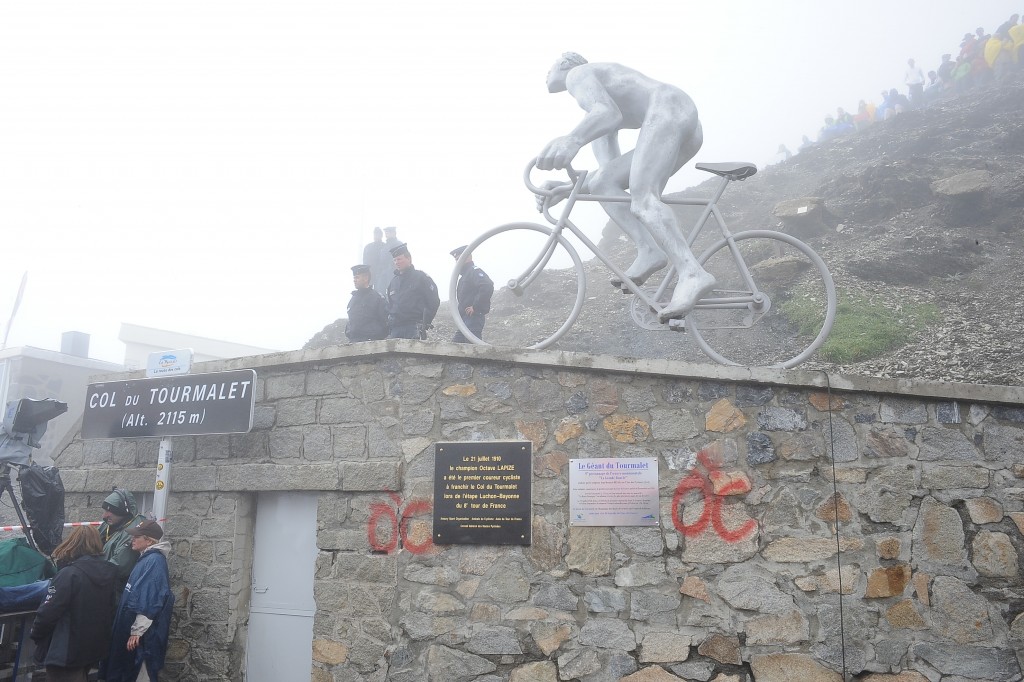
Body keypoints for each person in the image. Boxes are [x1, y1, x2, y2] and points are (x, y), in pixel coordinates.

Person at [536, 52, 716, 323]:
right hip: (683, 120)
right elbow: (605, 180)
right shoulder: (600, 109)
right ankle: (649, 249)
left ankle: (692, 273)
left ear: (564, 65)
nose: (545, 75)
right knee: (606, 184)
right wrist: (565, 188)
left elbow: (606, 113)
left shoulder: (579, 75)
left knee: (644, 200)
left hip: (669, 106)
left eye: (548, 68)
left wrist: (572, 140)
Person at [30, 526, 119, 682]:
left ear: (72, 543)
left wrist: (36, 634)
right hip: (91, 649)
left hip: (65, 651)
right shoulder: (109, 574)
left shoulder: (69, 574)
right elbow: (111, 610)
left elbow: (48, 613)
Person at [102, 520, 173, 682]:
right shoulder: (146, 559)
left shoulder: (154, 561)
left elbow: (151, 599)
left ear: (149, 540)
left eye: (136, 537)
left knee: (139, 672)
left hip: (144, 638)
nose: (132, 540)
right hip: (133, 631)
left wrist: (137, 631)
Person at [385, 242, 440, 340]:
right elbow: (390, 304)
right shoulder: (393, 283)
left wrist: (425, 322)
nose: (396, 262)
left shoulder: (421, 278)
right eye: (394, 260)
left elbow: (433, 300)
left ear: (408, 258)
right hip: (396, 330)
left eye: (399, 259)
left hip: (414, 327)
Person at [98, 488, 146, 592]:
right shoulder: (110, 524)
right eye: (104, 510)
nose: (104, 516)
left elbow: (119, 567)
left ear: (121, 512)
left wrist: (90, 573)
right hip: (104, 583)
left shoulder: (134, 529)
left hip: (116, 589)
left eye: (109, 511)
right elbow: (90, 541)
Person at [450, 245, 494, 343]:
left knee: (472, 349)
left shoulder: (474, 271)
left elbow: (487, 285)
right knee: (455, 347)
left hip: (473, 318)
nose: (457, 262)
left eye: (459, 258)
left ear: (468, 257)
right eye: (456, 260)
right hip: (464, 320)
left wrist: (476, 307)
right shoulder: (464, 276)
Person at [345, 264, 388, 342]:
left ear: (366, 278)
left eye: (357, 277)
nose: (354, 280)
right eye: (354, 277)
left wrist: (376, 336)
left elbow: (385, 321)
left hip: (372, 342)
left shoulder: (377, 297)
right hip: (353, 342)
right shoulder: (352, 300)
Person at [362, 227, 393, 295]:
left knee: (380, 293)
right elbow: (364, 262)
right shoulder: (368, 247)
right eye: (375, 234)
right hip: (369, 274)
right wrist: (364, 274)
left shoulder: (385, 247)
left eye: (378, 234)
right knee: (368, 293)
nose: (376, 236)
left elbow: (388, 261)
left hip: (381, 275)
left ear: (381, 235)